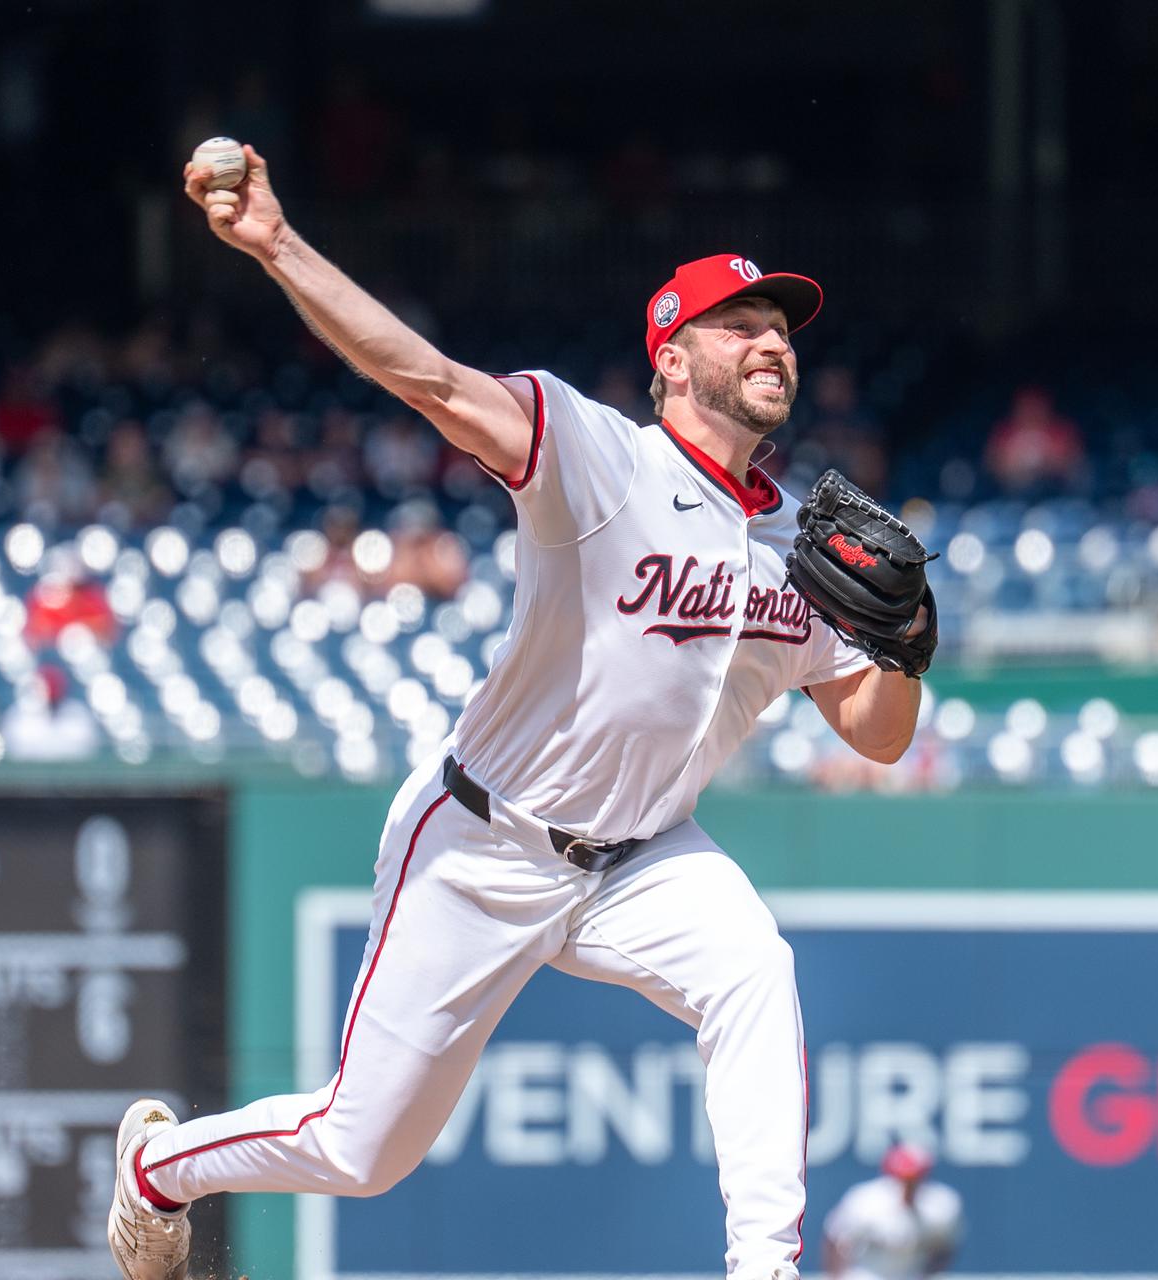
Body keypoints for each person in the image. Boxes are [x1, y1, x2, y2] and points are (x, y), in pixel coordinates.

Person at [107, 141, 930, 1280]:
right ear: (672, 359)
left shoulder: (801, 542)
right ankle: (161, 1167)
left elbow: (877, 733)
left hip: (645, 858)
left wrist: (905, 650)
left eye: (782, 328)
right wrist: (279, 245)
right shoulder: (599, 456)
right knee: (362, 1148)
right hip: (482, 842)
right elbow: (430, 380)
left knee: (753, 967)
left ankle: (765, 1267)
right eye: (740, 324)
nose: (772, 341)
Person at [822, 1145, 964, 1280]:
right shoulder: (866, 1201)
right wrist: (836, 1277)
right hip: (868, 1273)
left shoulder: (940, 1206)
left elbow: (945, 1247)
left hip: (910, 1275)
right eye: (903, 1177)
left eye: (914, 1178)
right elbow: (834, 1239)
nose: (908, 1184)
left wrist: (927, 1275)